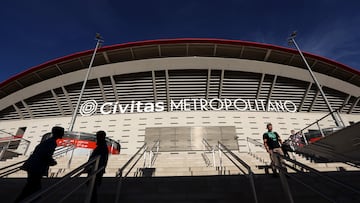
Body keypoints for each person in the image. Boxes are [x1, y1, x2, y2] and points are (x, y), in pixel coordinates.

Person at [15, 126, 64, 202]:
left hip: (33, 165)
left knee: (32, 186)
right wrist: (51, 161)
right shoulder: (52, 142)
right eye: (62, 132)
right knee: (33, 187)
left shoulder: (48, 141)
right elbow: (45, 154)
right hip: (36, 167)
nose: (63, 134)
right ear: (58, 133)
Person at [86, 130, 109, 203]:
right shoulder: (102, 146)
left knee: (92, 188)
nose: (97, 138)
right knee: (92, 188)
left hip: (96, 170)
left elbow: (101, 159)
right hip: (97, 169)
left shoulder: (101, 147)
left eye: (98, 136)